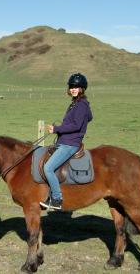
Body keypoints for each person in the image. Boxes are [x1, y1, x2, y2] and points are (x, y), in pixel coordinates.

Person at [39, 73, 93, 210]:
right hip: (65, 141)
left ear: (82, 88)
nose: (73, 89)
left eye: (77, 87)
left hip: (70, 144)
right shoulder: (76, 104)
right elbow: (89, 118)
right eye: (72, 87)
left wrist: (57, 129)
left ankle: (57, 199)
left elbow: (76, 125)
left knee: (48, 168)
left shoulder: (81, 105)